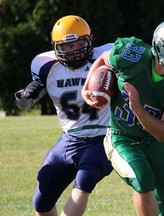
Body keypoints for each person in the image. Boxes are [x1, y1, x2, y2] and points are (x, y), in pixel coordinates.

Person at [82, 19, 164, 216]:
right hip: (122, 137)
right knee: (143, 179)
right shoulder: (132, 53)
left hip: (156, 143)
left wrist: (138, 108)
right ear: (161, 49)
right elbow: (105, 58)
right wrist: (87, 87)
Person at [15, 15, 113, 216]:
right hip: (69, 138)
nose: (74, 50)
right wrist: (26, 96)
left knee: (84, 182)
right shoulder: (45, 66)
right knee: (41, 201)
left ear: (89, 40)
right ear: (56, 47)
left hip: (102, 137)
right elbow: (23, 104)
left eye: (78, 43)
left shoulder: (106, 57)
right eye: (67, 46)